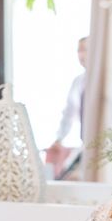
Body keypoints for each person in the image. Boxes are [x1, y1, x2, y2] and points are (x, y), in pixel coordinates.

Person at [45, 36, 88, 179]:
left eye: (85, 50)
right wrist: (59, 139)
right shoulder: (78, 82)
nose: (81, 55)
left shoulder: (104, 80)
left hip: (100, 144)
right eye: (79, 51)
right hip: (85, 143)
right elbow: (69, 114)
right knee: (64, 175)